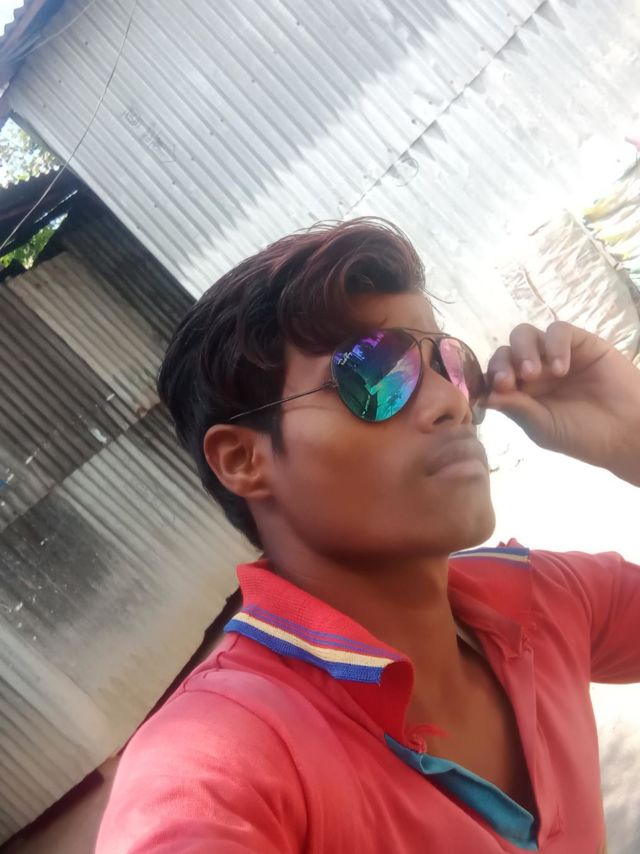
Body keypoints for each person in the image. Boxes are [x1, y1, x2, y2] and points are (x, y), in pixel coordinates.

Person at [96, 218, 640, 853]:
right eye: (374, 373)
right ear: (243, 460)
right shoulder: (223, 757)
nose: (451, 402)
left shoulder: (541, 600)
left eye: (450, 365)